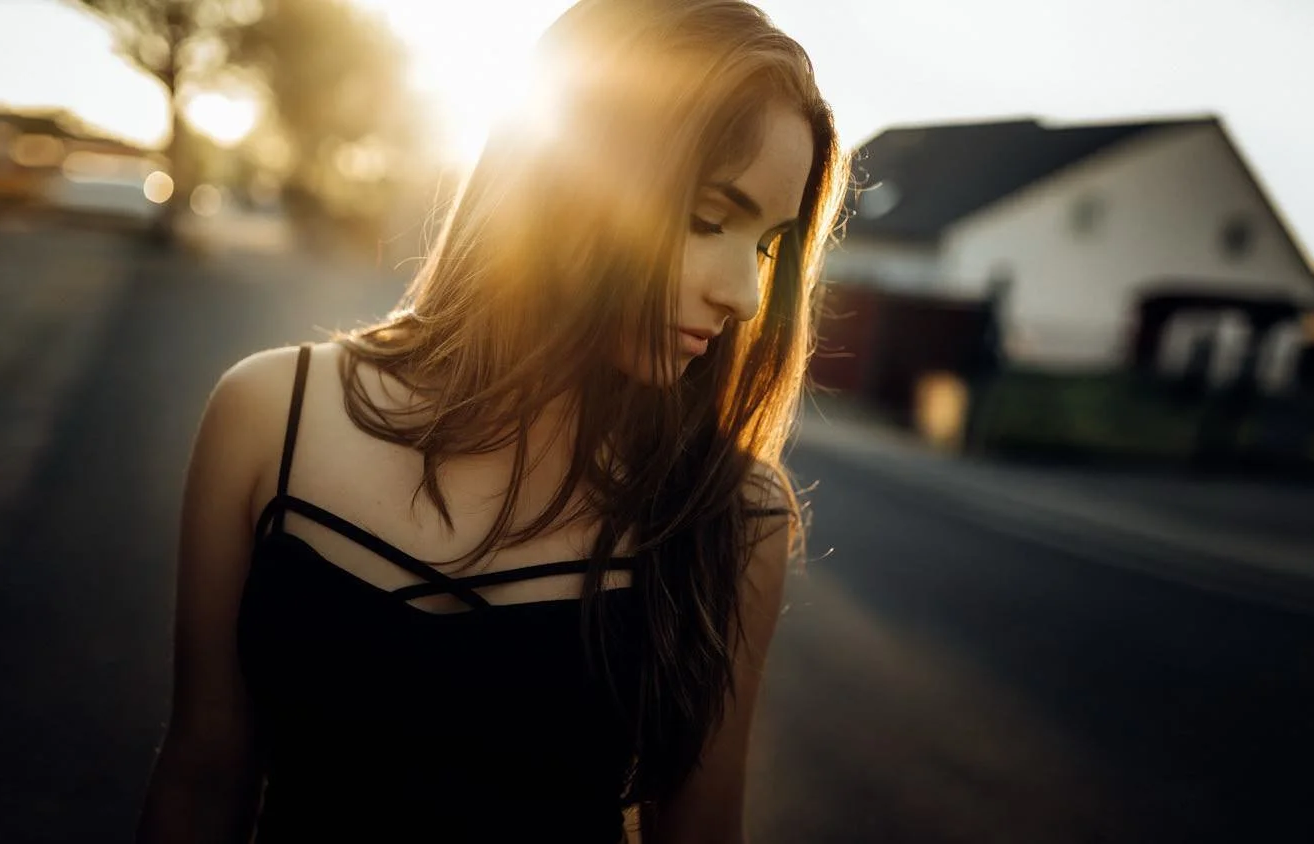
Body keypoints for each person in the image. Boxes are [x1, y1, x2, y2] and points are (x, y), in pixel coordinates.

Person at [137, 0, 849, 841]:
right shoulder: (268, 417)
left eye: (766, 245)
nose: (746, 295)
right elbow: (202, 778)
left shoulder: (730, 514)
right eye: (707, 219)